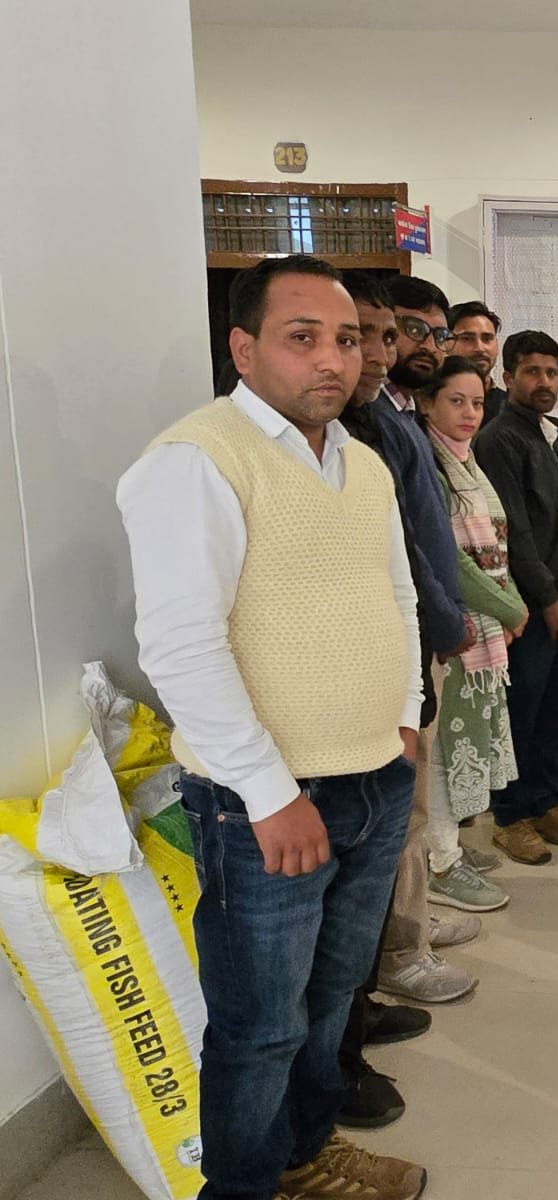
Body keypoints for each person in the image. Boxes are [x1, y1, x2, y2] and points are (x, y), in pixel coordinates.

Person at [117, 255, 427, 1200]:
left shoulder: (362, 462)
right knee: (260, 1027)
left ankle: (305, 1155)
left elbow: (399, 597)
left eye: (347, 339)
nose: (333, 359)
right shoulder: (197, 460)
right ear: (243, 348)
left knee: (331, 1001)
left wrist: (405, 717)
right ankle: (246, 1186)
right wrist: (267, 791)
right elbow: (182, 646)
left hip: (374, 778)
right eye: (303, 338)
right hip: (269, 805)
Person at [372, 275, 481, 1006]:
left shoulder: (400, 413)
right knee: (398, 809)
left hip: (422, 635)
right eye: (406, 329)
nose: (420, 345)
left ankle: (409, 923)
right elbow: (403, 546)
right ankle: (398, 953)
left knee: (411, 807)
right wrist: (447, 620)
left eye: (433, 334)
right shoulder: (371, 422)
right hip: (402, 637)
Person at [476, 331, 558, 854]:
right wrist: (547, 599)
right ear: (508, 378)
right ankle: (509, 816)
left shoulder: (546, 434)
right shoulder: (499, 439)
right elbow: (513, 531)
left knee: (555, 708)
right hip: (532, 602)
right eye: (531, 372)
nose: (544, 382)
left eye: (551, 372)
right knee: (521, 710)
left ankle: (543, 800)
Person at [417, 357, 524, 912]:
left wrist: (508, 607)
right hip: (453, 629)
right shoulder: (429, 466)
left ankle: (449, 845)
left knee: (467, 740)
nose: (469, 413)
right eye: (455, 401)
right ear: (427, 403)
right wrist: (508, 608)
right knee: (442, 748)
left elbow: (496, 548)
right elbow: (450, 560)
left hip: (482, 625)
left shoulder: (467, 462)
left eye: (477, 402)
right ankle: (440, 862)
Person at [449, 300, 507, 428]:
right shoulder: (428, 400)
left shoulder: (510, 407)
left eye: (487, 339)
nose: (479, 348)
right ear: (446, 343)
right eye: (467, 338)